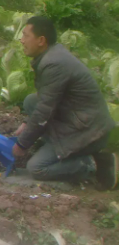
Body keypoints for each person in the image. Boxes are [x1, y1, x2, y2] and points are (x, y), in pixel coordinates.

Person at [12, 15, 117, 188]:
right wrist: (27, 124)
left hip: (89, 131)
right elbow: (44, 101)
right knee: (31, 101)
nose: (21, 40)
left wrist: (22, 144)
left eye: (25, 36)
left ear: (41, 40)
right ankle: (55, 149)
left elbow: (45, 110)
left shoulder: (54, 64)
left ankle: (93, 164)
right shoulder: (52, 55)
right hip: (78, 120)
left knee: (36, 168)